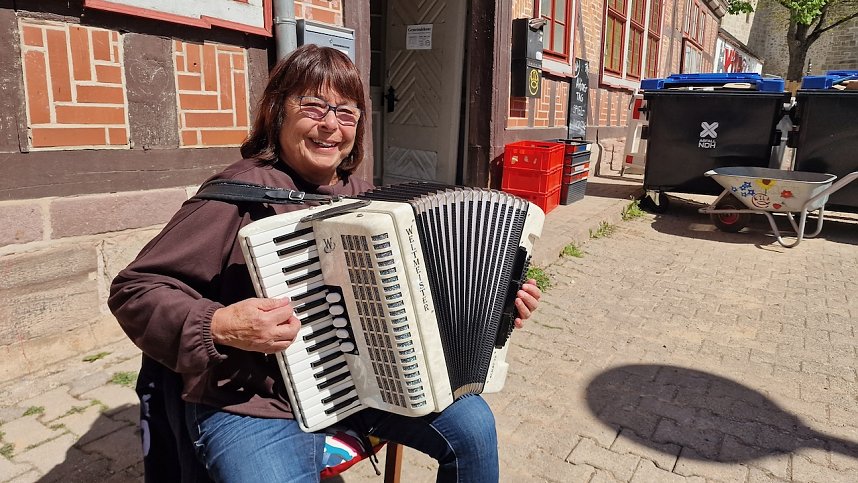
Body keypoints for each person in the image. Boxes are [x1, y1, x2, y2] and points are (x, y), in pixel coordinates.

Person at [109, 44, 542, 483]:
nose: (331, 125)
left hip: (372, 386)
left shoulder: (365, 199)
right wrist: (219, 324)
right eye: (313, 106)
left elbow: (422, 294)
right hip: (256, 401)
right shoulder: (236, 195)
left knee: (474, 428)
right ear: (277, 113)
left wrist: (497, 303)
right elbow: (134, 289)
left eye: (347, 113)